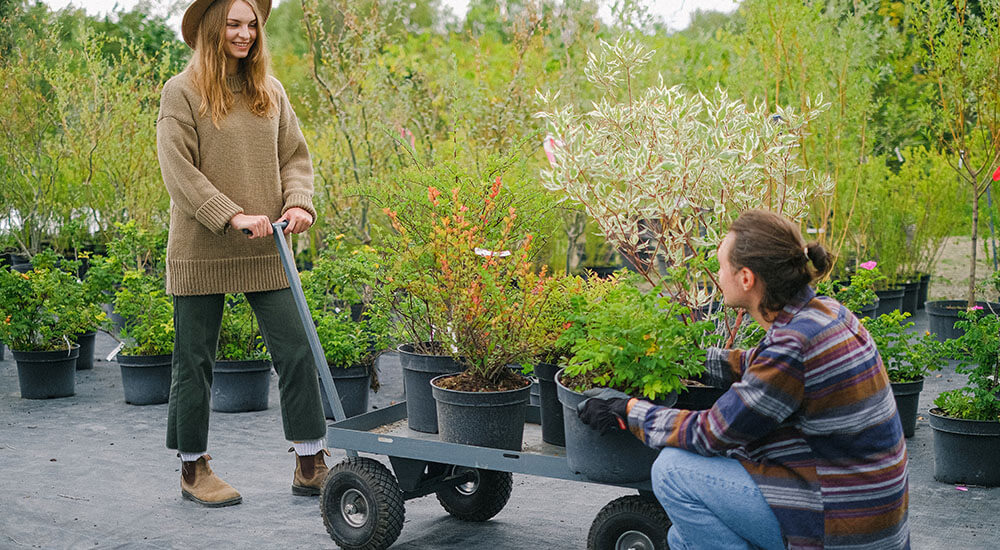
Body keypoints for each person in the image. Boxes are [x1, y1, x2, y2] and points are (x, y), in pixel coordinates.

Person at [578, 209, 909, 549]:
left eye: (722, 266)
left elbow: (713, 432)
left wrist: (628, 409)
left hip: (844, 525)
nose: (717, 275)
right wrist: (686, 362)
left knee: (672, 471)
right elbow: (757, 363)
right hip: (868, 508)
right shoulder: (825, 313)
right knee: (681, 539)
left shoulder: (794, 346)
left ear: (747, 278)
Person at [156, 0, 329, 507]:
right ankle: (193, 469)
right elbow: (179, 172)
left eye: (251, 24)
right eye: (234, 23)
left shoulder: (269, 92)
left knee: (296, 351)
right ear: (212, 28)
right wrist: (230, 214)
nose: (245, 33)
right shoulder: (181, 92)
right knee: (194, 361)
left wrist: (299, 203)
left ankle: (310, 461)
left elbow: (295, 157)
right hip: (201, 248)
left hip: (267, 246)